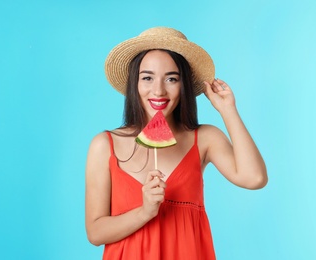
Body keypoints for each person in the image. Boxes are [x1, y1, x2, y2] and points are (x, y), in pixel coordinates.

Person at [85, 27, 267, 259]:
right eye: (147, 78)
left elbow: (254, 178)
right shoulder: (104, 145)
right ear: (135, 83)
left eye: (171, 78)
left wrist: (227, 110)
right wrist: (145, 212)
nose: (158, 90)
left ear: (184, 86)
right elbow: (95, 233)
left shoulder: (204, 139)